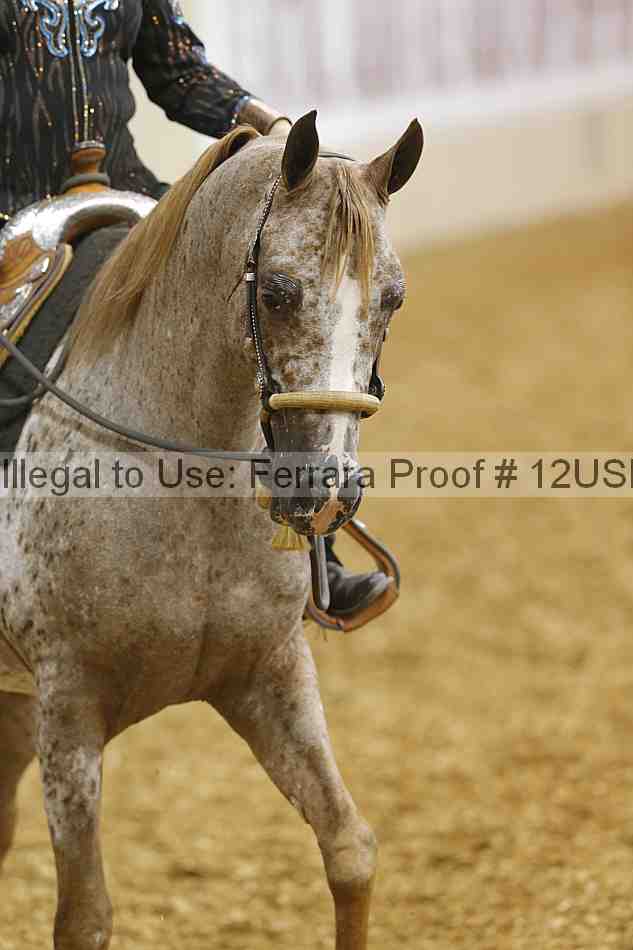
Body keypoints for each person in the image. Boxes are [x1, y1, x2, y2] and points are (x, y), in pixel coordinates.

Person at [0, 0, 390, 618]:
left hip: (128, 191)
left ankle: (317, 548)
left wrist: (274, 125)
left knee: (256, 330)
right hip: (9, 205)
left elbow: (178, 70)